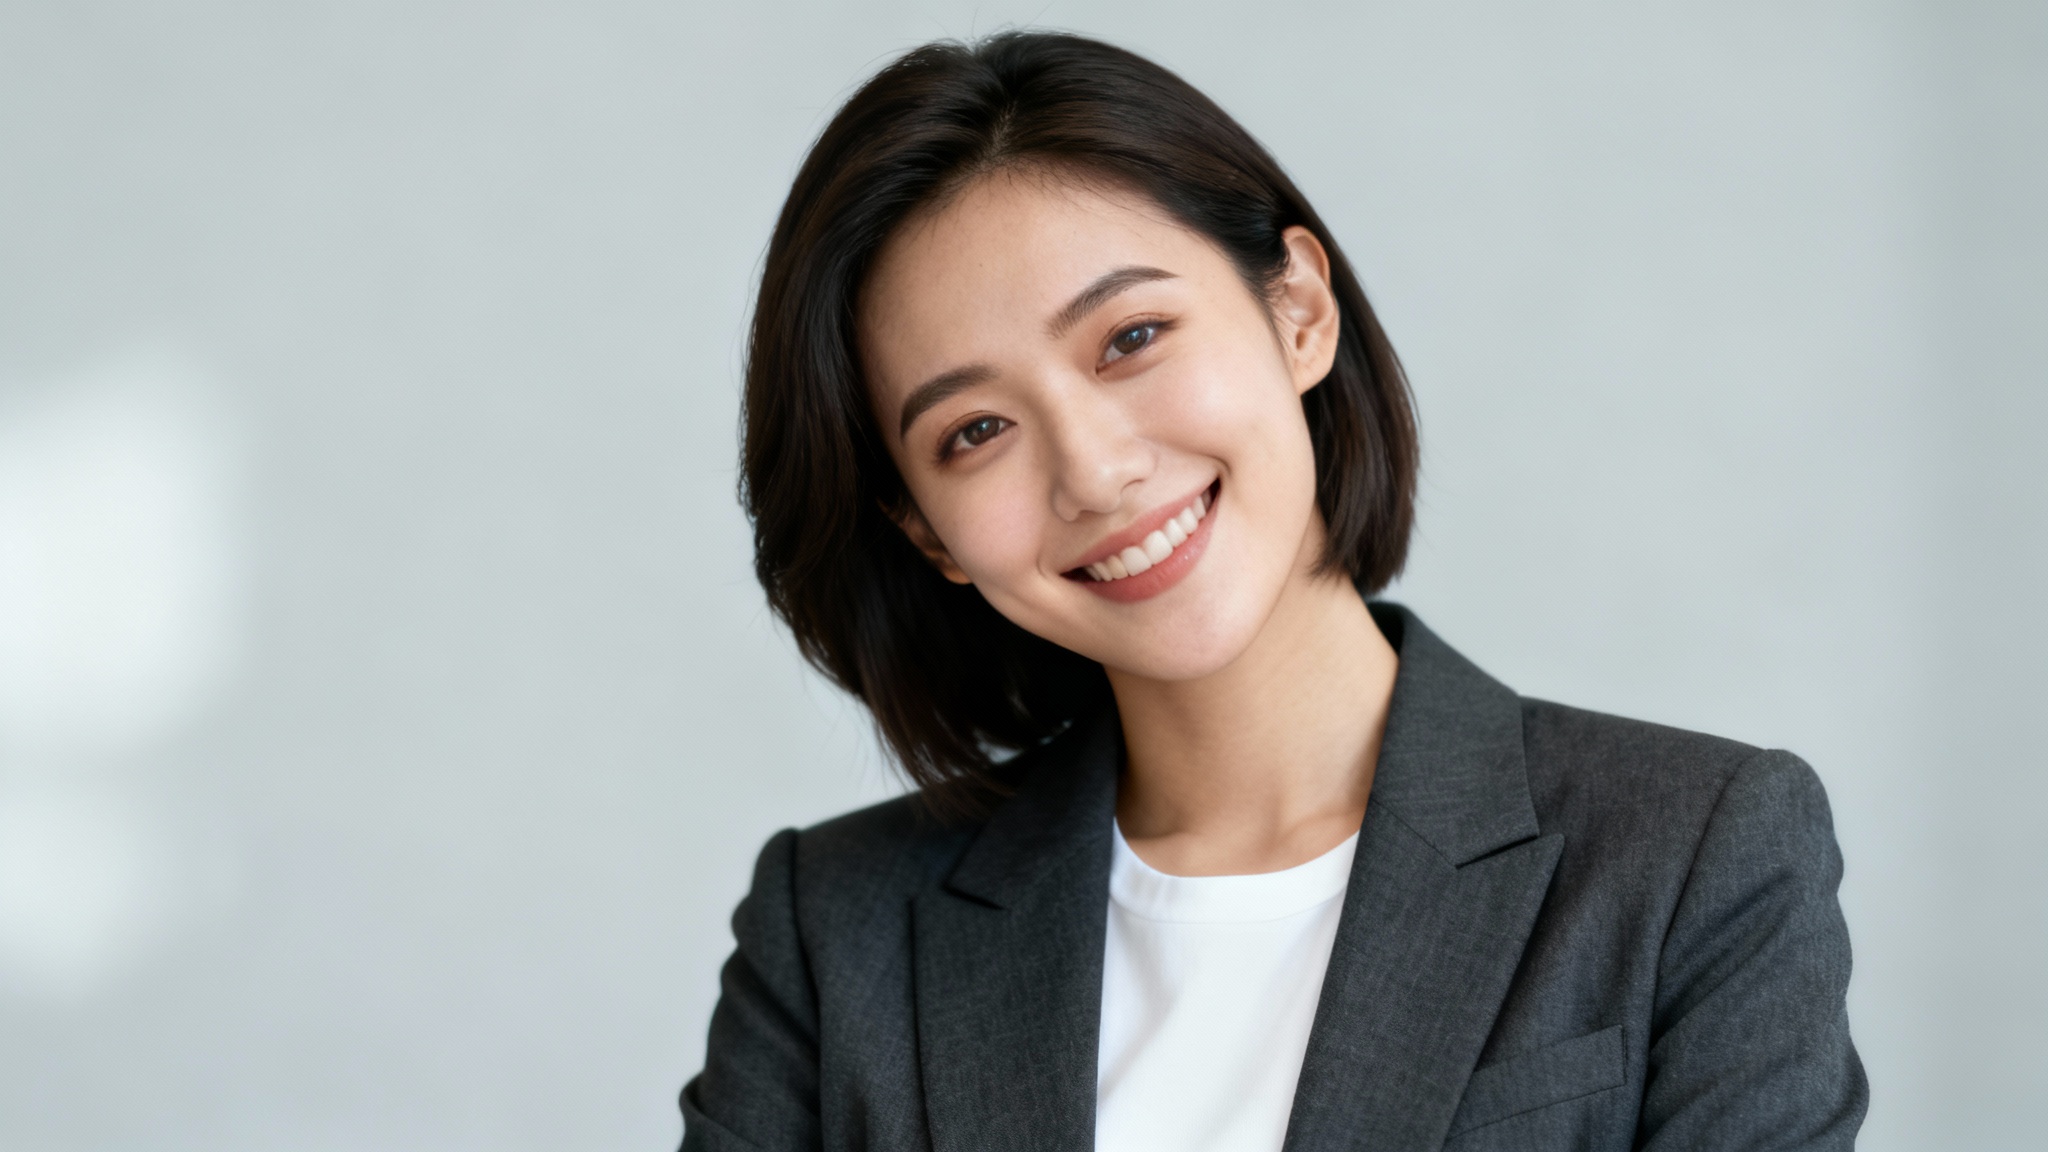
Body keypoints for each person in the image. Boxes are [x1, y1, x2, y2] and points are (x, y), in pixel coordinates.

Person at [682, 31, 1865, 1152]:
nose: (1094, 471)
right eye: (975, 429)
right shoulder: (834, 933)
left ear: (1296, 310)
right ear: (924, 531)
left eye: (1130, 337)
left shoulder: (1689, 856)